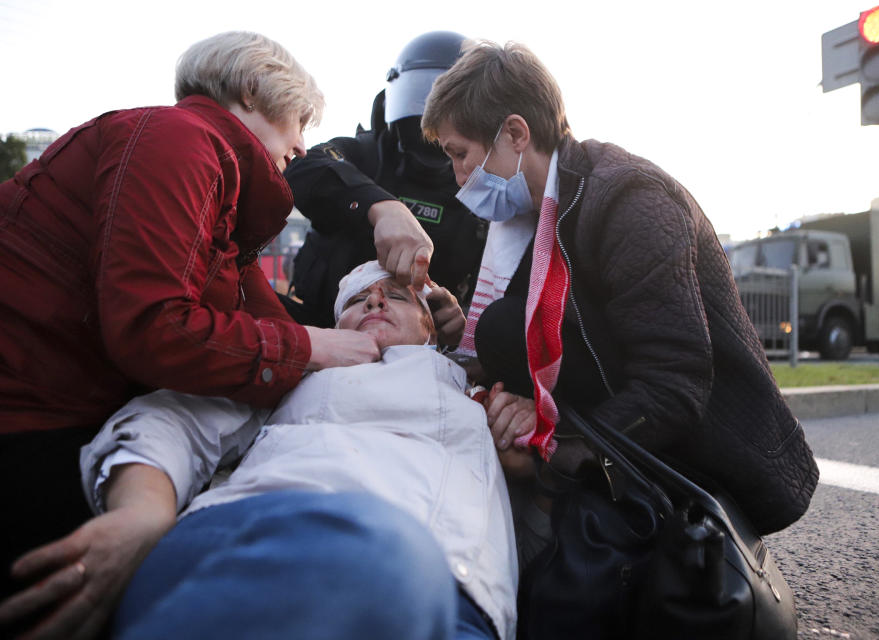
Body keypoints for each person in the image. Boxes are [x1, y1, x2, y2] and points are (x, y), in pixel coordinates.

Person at [0, 31, 395, 599]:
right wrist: (319, 347)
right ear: (254, 89)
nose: (303, 147)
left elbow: (267, 329)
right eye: (299, 121)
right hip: (28, 421)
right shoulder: (178, 139)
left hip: (58, 412)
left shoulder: (222, 202)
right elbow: (152, 326)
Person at [421, 41, 819, 539]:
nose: (459, 178)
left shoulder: (631, 201)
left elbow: (674, 386)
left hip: (711, 454)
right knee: (501, 326)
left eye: (461, 155)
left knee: (506, 329)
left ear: (516, 133)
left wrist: (552, 442)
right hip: (632, 422)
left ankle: (561, 514)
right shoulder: (535, 216)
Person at [0, 261, 517, 640]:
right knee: (381, 556)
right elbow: (170, 420)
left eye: (397, 297)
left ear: (432, 329)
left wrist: (541, 453)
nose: (376, 302)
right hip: (248, 538)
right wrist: (143, 513)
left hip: (460, 603)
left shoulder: (484, 401)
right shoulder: (294, 371)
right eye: (360, 300)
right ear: (335, 326)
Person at [283, 31, 487, 341]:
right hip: (320, 328)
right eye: (423, 95)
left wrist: (460, 320)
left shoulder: (481, 191)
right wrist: (379, 207)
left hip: (416, 347)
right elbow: (302, 166)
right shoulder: (364, 154)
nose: (429, 119)